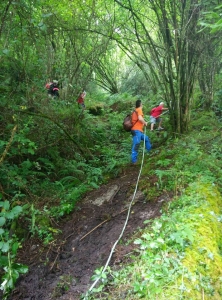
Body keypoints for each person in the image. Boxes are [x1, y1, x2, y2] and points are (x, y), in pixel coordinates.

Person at [131, 99, 152, 164]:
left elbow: (139, 119)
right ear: (140, 104)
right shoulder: (139, 109)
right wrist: (145, 123)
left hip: (139, 131)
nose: (142, 105)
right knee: (137, 143)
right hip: (136, 130)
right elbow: (140, 118)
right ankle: (134, 161)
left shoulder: (136, 111)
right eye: (141, 104)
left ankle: (150, 152)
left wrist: (144, 122)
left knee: (146, 138)